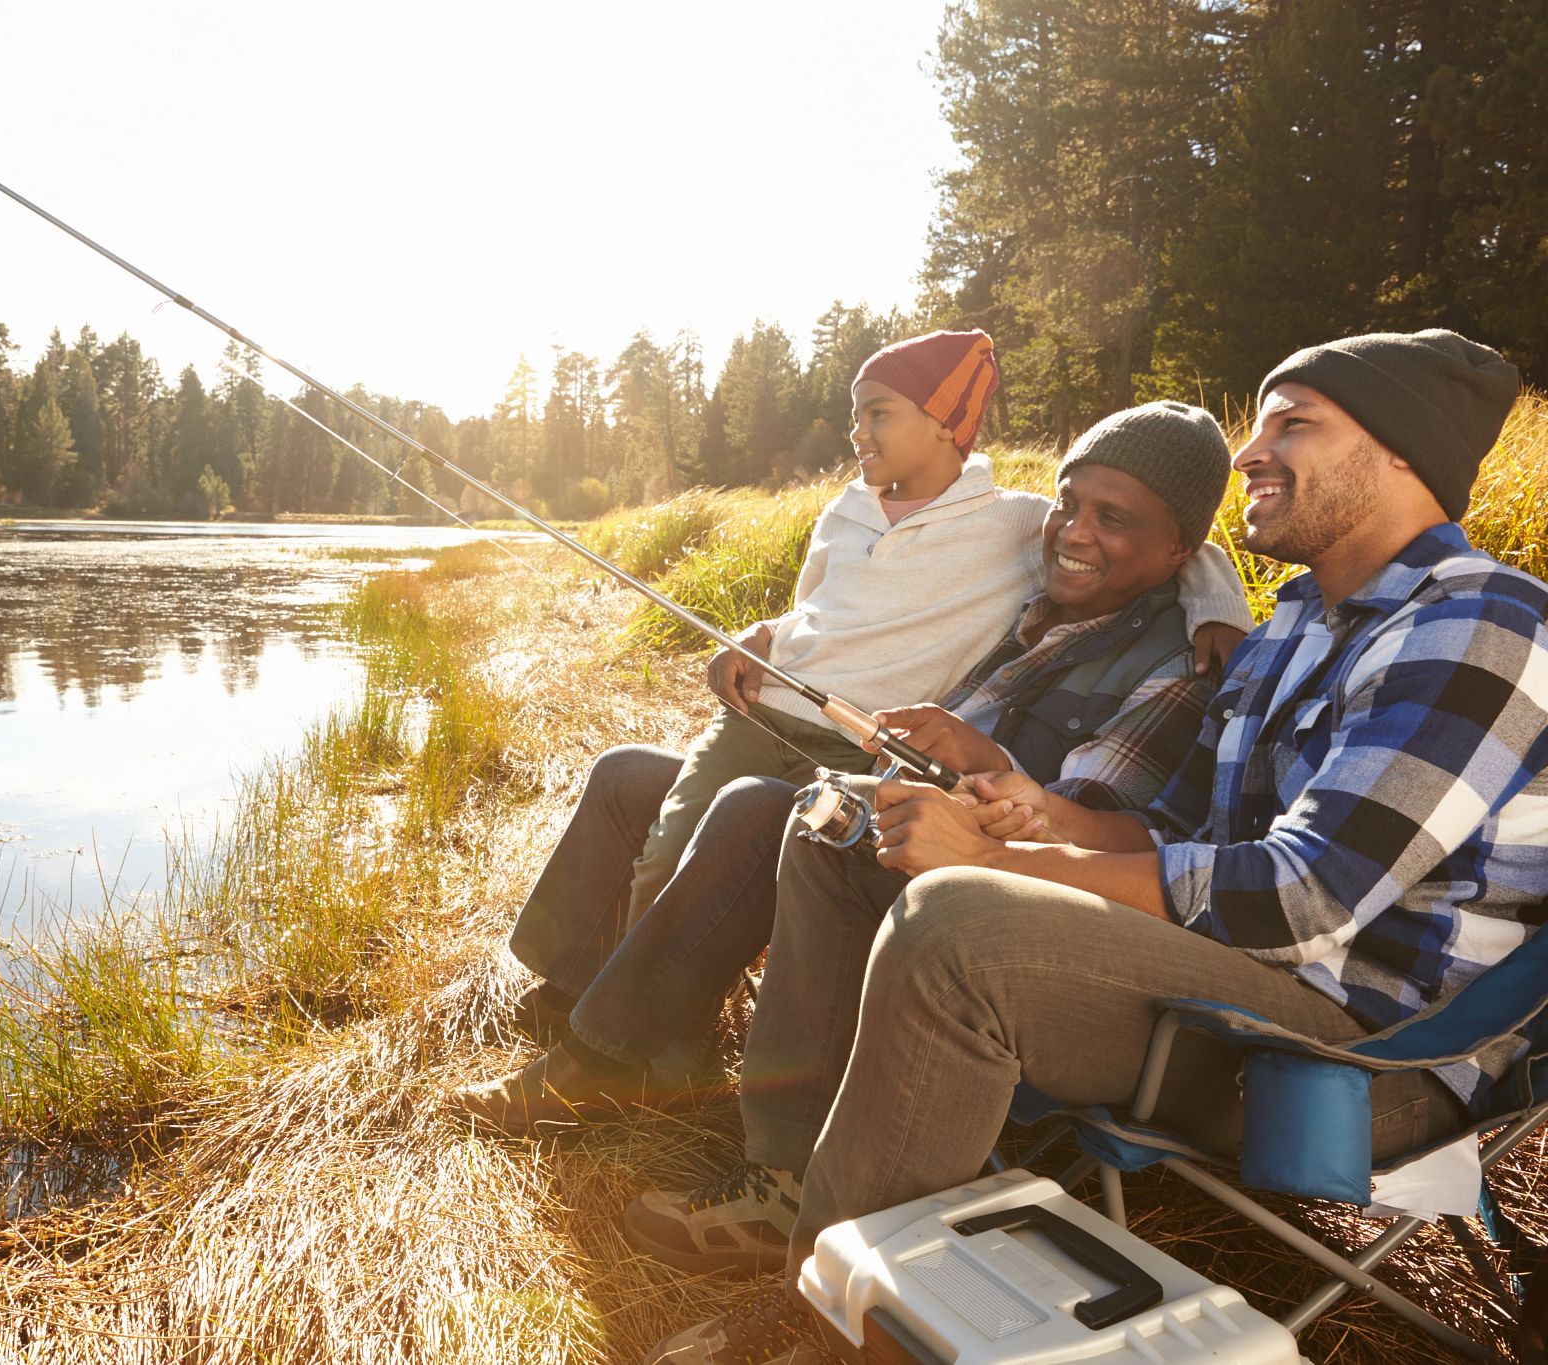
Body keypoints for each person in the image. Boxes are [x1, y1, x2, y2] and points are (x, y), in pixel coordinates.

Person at [643, 329, 1548, 1365]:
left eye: (1291, 424)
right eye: (1254, 425)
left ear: (1402, 454)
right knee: (848, 825)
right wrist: (1025, 813)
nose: (1249, 453)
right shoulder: (1295, 624)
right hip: (1237, 968)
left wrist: (990, 867)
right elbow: (1174, 836)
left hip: (1362, 1044)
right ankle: (797, 1192)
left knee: (958, 928)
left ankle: (832, 1339)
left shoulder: (1479, 623)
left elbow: (1302, 896)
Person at [483, 331, 1252, 1109]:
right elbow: (837, 604)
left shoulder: (1161, 648)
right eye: (1070, 505)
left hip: (948, 849)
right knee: (627, 776)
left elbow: (1082, 822)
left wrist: (1219, 601)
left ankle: (612, 1058)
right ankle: (574, 990)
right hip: (863, 777)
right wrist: (766, 636)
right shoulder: (1034, 588)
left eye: (1111, 518)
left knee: (749, 809)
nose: (1077, 531)